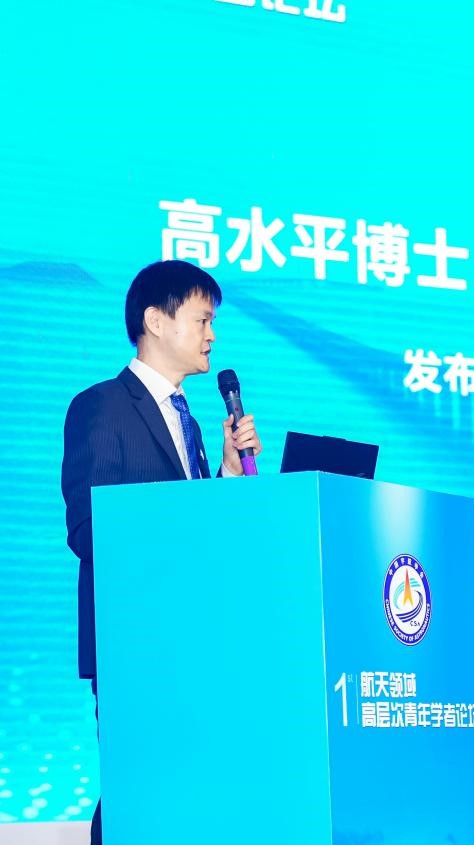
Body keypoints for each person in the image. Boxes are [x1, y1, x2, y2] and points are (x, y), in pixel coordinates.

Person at [60, 259, 263, 845]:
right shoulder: (101, 406)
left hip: (197, 639)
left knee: (187, 796)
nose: (212, 335)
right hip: (137, 642)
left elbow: (201, 530)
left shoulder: (189, 420)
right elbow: (90, 529)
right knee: (138, 795)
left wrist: (228, 474)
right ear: (155, 320)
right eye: (202, 319)